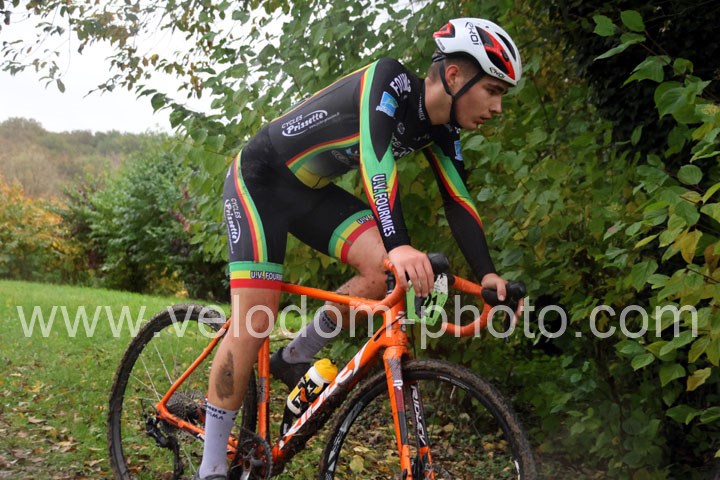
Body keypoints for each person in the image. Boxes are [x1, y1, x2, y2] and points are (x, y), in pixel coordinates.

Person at [195, 17, 523, 479]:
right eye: (492, 90)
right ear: (454, 76)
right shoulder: (388, 81)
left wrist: (487, 273)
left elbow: (458, 200)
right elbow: (375, 160)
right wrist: (400, 244)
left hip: (310, 193)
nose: (497, 107)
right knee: (256, 319)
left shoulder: (442, 130)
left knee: (383, 272)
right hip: (260, 180)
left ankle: (297, 355)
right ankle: (210, 468)